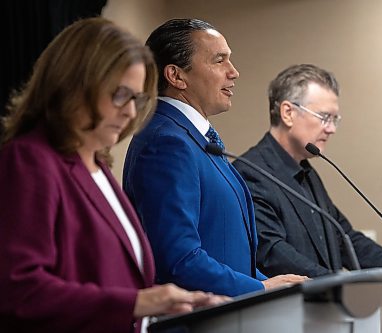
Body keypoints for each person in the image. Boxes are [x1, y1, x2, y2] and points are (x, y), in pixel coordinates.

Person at [0, 18, 226, 333]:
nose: (131, 113)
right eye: (120, 94)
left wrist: (169, 304)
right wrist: (138, 302)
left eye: (137, 99)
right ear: (74, 83)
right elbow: (19, 291)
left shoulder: (98, 167)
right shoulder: (30, 160)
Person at [123, 18, 306, 297]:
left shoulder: (196, 139)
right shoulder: (167, 143)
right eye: (219, 60)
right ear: (176, 76)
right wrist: (258, 288)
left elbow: (226, 254)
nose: (234, 73)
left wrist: (274, 285)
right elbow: (178, 260)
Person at [233, 64, 382, 279]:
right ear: (288, 113)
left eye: (334, 119)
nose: (331, 129)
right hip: (288, 312)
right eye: (324, 117)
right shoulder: (250, 172)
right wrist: (339, 282)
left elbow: (347, 239)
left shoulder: (307, 173)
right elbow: (273, 254)